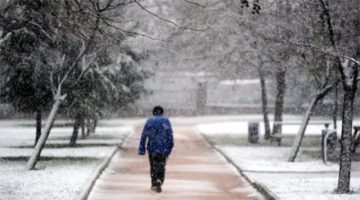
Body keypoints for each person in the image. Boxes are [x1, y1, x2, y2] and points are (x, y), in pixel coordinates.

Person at [138, 106, 174, 193]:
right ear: (162, 112)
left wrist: (142, 148)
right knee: (161, 164)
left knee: (153, 165)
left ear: (153, 112)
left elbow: (144, 134)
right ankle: (160, 179)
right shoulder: (166, 121)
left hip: (152, 147)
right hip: (163, 148)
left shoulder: (149, 121)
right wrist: (170, 146)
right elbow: (170, 134)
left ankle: (154, 182)